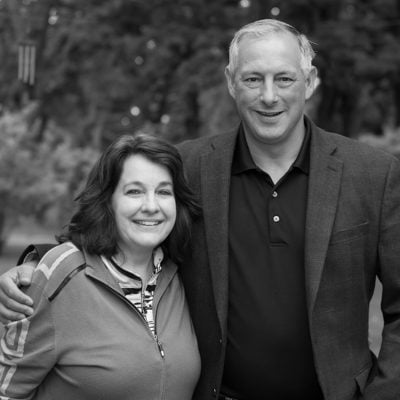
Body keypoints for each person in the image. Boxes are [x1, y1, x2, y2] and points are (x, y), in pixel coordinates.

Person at [1, 18, 400, 400]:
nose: (269, 96)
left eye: (284, 79)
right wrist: (36, 265)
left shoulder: (373, 175)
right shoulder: (189, 168)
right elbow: (113, 225)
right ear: (230, 82)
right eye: (252, 79)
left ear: (309, 82)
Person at [0, 134, 201, 399]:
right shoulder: (62, 272)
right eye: (134, 191)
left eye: (163, 192)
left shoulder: (181, 272)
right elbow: (9, 391)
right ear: (108, 201)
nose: (151, 206)